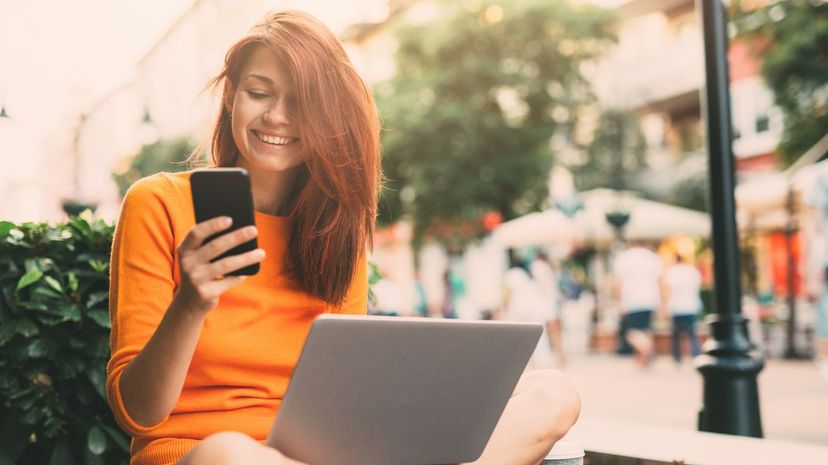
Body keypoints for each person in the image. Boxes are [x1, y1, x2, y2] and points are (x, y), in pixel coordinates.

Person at [106, 11, 580, 465]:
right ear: (230, 95)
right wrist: (191, 302)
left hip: (321, 455)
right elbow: (139, 414)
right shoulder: (159, 204)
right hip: (202, 454)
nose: (278, 116)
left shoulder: (334, 227)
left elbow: (345, 398)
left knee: (554, 394)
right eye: (259, 92)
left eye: (303, 101)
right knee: (231, 452)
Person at [612, 241, 662, 368]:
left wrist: (618, 301)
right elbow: (660, 280)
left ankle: (647, 350)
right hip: (651, 299)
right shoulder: (652, 257)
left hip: (632, 300)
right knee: (645, 331)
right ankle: (641, 361)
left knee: (632, 333)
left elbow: (617, 282)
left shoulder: (624, 258)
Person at [660, 254, 702, 365]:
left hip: (676, 307)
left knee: (675, 335)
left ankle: (677, 358)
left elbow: (668, 291)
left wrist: (665, 307)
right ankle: (696, 355)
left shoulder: (672, 272)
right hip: (691, 306)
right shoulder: (692, 271)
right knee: (692, 333)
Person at [529, 251, 567, 367]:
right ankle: (560, 355)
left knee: (550, 329)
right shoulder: (545, 268)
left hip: (545, 303)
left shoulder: (538, 267)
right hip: (549, 302)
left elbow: (542, 286)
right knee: (554, 329)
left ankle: (559, 355)